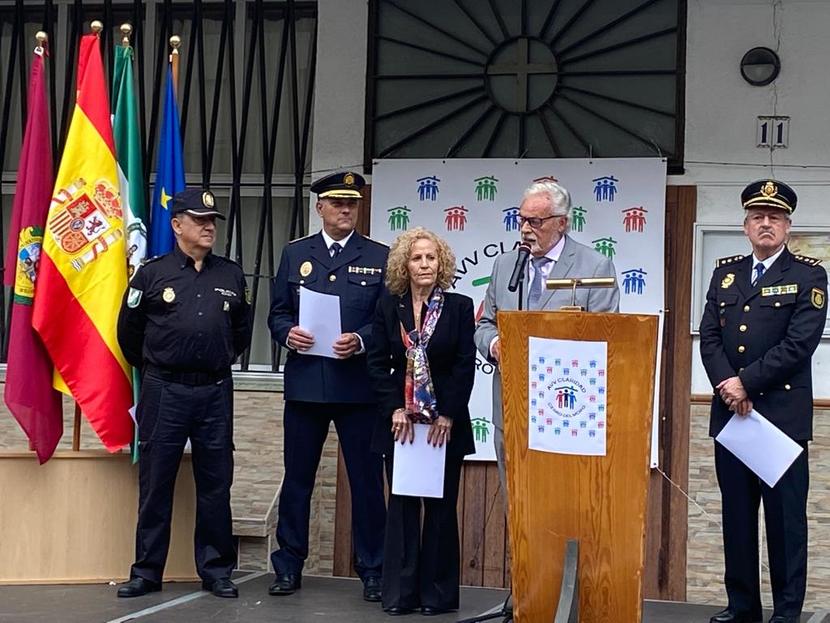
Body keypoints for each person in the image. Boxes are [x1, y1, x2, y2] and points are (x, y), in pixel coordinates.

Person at [699, 180, 827, 623]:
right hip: (732, 417)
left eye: (774, 217)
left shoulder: (809, 274)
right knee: (737, 518)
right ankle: (742, 607)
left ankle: (786, 612)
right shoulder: (725, 273)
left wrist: (745, 384)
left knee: (784, 522)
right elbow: (710, 337)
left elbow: (800, 344)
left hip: (779, 419)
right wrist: (726, 385)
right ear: (746, 225)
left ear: (788, 226)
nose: (765, 223)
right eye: (758, 217)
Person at [116, 188, 252, 599]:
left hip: (213, 391)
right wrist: (163, 364)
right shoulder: (151, 274)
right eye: (200, 220)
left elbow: (240, 333)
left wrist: (212, 357)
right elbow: (129, 333)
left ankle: (215, 570)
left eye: (212, 221)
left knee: (215, 483)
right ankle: (146, 571)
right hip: (165, 391)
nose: (209, 227)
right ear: (177, 225)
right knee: (157, 482)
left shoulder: (230, 274)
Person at [268, 171, 387, 601]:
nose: (345, 210)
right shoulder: (296, 253)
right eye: (336, 203)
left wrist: (360, 339)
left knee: (367, 482)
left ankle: (373, 569)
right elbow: (277, 312)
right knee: (298, 479)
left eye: (351, 203)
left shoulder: (379, 255)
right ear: (319, 206)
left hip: (358, 388)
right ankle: (288, 566)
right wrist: (287, 334)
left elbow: (386, 322)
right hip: (306, 386)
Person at [473, 180, 620, 491]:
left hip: (566, 412)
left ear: (562, 223)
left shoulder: (595, 266)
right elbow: (485, 323)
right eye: (521, 219)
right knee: (516, 505)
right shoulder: (504, 265)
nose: (526, 229)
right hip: (511, 409)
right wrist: (495, 343)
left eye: (535, 222)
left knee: (561, 503)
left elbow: (606, 337)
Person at [367, 228, 476, 616]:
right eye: (417, 258)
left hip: (444, 426)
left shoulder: (460, 307)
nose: (425, 264)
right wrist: (394, 408)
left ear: (441, 263)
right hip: (401, 426)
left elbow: (465, 366)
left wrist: (446, 412)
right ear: (405, 265)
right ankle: (400, 595)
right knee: (402, 507)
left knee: (441, 509)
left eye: (431, 257)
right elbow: (377, 363)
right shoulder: (388, 306)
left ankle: (438, 596)